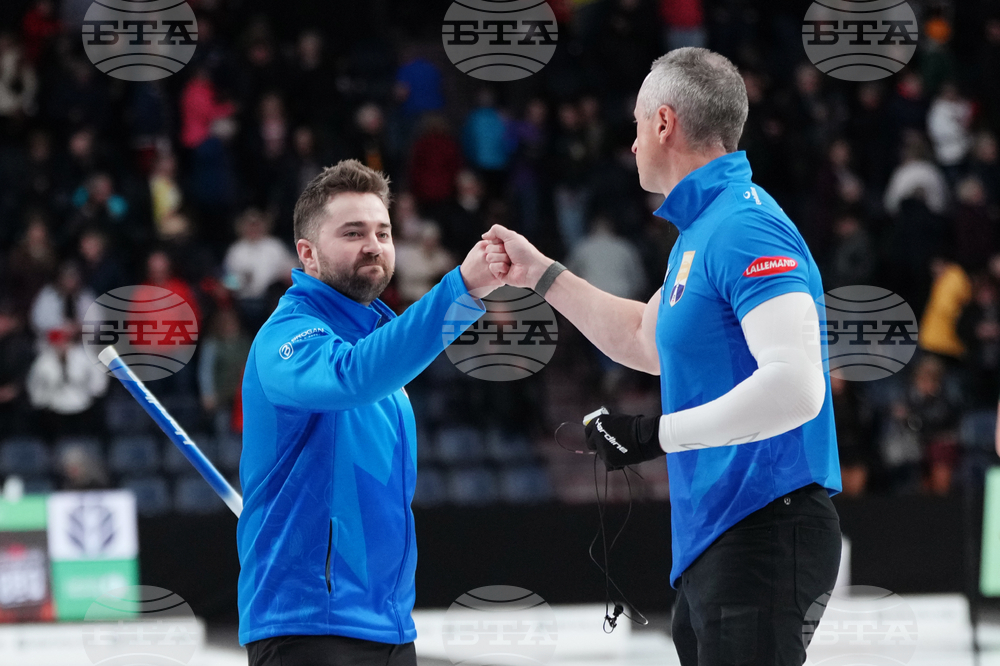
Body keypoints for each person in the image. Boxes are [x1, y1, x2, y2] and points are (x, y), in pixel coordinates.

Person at [485, 47, 842, 665]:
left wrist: (654, 434)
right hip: (719, 537)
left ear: (664, 124)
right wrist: (539, 273)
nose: (630, 145)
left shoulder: (745, 228)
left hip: (764, 525)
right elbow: (643, 341)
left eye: (634, 125)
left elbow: (797, 387)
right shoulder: (701, 233)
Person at [238, 159, 501, 666]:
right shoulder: (287, 335)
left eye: (383, 231)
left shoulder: (380, 344)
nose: (373, 245)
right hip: (309, 626)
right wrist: (461, 288)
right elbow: (351, 375)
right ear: (307, 255)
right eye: (353, 232)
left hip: (390, 625)